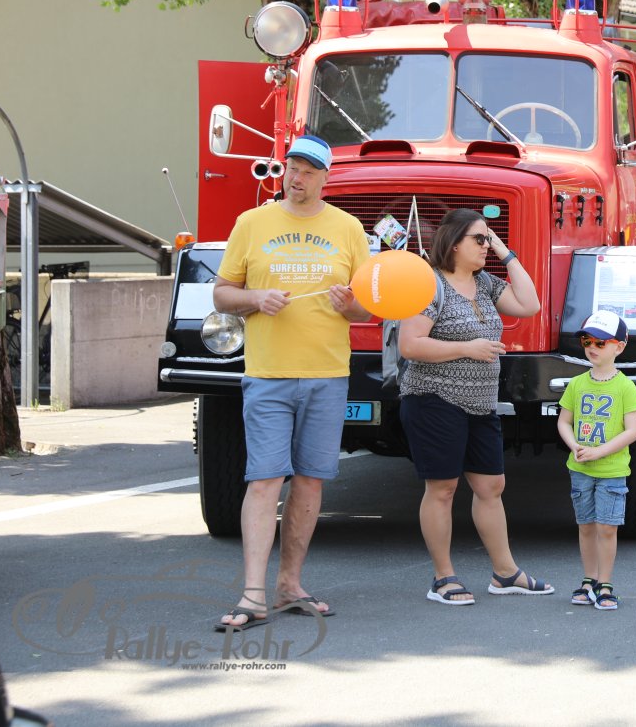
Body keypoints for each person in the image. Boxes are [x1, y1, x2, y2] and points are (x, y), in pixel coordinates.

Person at [212, 133, 371, 630]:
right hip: (267, 374)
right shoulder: (252, 222)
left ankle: (289, 584)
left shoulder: (348, 228)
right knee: (264, 481)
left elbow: (368, 309)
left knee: (310, 482)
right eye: (292, 168)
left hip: (327, 374)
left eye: (307, 171)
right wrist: (255, 299)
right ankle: (252, 594)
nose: (296, 178)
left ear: (325, 177)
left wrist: (351, 305)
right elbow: (221, 294)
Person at [398, 208, 550, 605]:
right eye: (479, 239)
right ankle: (443, 578)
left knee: (491, 486)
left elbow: (529, 304)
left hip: (481, 404)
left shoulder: (484, 283)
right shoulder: (429, 284)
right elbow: (410, 345)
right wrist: (467, 348)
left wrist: (504, 251)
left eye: (489, 239)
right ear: (453, 243)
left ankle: (505, 573)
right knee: (443, 488)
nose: (486, 245)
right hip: (433, 399)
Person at [557, 310, 636, 611]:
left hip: (612, 470)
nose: (592, 347)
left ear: (619, 347)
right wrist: (574, 445)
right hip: (580, 469)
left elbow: (633, 430)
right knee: (586, 526)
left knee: (607, 527)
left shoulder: (625, 386)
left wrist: (600, 451)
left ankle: (605, 584)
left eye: (601, 342)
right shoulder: (577, 383)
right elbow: (564, 421)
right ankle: (588, 579)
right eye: (587, 341)